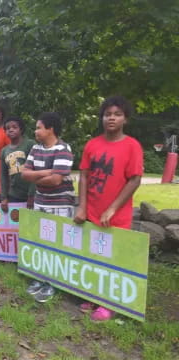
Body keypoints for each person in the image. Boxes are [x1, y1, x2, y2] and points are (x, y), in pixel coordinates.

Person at [74, 95, 143, 321]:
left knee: (112, 259)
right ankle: (92, 296)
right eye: (107, 114)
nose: (111, 118)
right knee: (92, 257)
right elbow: (83, 175)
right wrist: (82, 206)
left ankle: (108, 304)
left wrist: (112, 209)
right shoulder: (92, 144)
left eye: (117, 114)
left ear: (125, 119)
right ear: (102, 118)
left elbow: (134, 180)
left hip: (117, 217)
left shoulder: (132, 146)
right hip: (91, 213)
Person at [21, 112, 75, 303]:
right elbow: (24, 174)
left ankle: (53, 283)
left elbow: (55, 181)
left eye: (38, 127)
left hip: (59, 205)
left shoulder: (63, 148)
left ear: (50, 128)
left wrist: (38, 175)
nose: (36, 131)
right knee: (42, 242)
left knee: (57, 245)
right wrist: (48, 171)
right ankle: (41, 278)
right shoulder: (36, 149)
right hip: (40, 202)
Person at [0, 116, 36, 213]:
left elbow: (36, 170)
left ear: (21, 129)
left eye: (14, 127)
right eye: (7, 128)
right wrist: (4, 197)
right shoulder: (4, 151)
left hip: (31, 194)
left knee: (33, 224)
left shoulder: (30, 144)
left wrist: (32, 195)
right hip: (14, 195)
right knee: (16, 224)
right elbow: (3, 176)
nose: (10, 130)